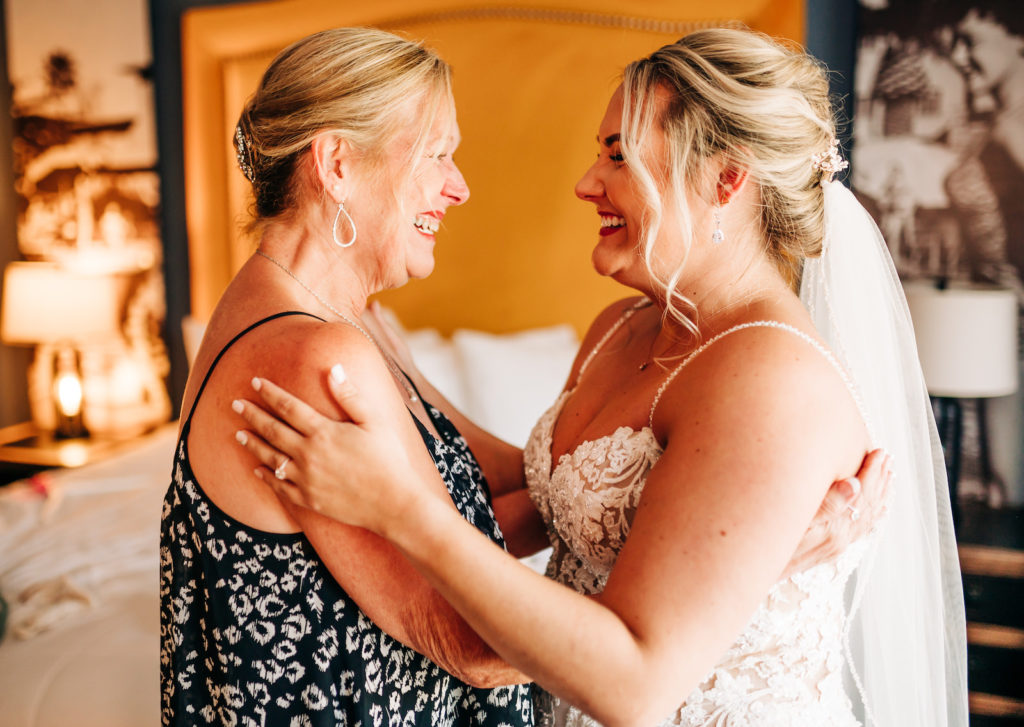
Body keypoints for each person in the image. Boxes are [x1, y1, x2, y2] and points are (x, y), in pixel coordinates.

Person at [231, 28, 967, 726]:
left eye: (619, 155)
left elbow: (636, 685)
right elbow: (540, 489)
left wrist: (400, 509)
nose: (588, 182)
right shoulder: (620, 330)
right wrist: (397, 367)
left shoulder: (770, 380)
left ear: (726, 178)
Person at [159, 27, 538, 726]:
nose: (458, 187)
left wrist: (643, 482)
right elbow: (472, 640)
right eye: (437, 155)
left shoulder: (356, 325)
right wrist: (689, 591)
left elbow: (495, 496)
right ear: (336, 162)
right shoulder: (308, 358)